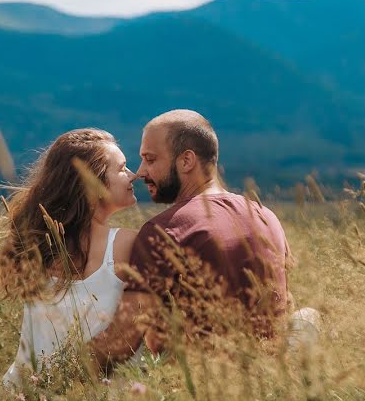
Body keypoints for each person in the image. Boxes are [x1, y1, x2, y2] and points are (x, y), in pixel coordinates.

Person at [90, 110, 292, 365]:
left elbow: (122, 342)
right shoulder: (267, 217)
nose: (140, 172)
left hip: (203, 392)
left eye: (150, 159)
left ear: (186, 161)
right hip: (270, 383)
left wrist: (57, 371)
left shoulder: (165, 231)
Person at [0, 128, 139, 388]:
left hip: (24, 392)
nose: (133, 175)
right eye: (122, 169)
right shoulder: (127, 244)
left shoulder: (36, 246)